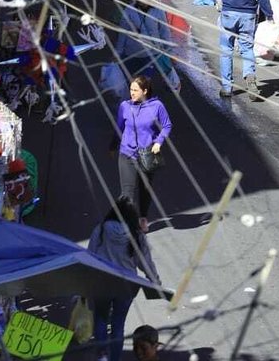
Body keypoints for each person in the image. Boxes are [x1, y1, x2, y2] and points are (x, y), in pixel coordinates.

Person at [88, 196, 160, 361]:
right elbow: (145, 262)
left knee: (100, 318)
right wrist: (155, 281)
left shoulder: (100, 230)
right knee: (118, 324)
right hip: (126, 286)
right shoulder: (136, 235)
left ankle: (102, 357)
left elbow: (90, 255)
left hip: (101, 282)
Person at [208, 0, 272, 101]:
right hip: (248, 15)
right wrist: (269, 14)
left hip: (228, 13)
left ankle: (227, 87)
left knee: (226, 49)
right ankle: (250, 77)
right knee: (246, 48)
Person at [116, 74, 172, 221]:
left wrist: (159, 142)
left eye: (135, 90)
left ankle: (142, 218)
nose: (132, 93)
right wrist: (112, 146)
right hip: (127, 153)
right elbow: (119, 128)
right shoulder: (124, 107)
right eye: (130, 90)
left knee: (145, 189)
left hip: (147, 154)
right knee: (127, 193)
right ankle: (128, 224)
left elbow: (166, 125)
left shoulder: (157, 106)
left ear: (145, 91)